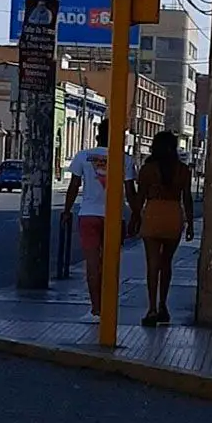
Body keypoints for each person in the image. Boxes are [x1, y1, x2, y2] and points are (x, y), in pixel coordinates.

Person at [61, 121, 138, 322]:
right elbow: (130, 192)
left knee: (92, 264)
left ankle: (96, 306)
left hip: (88, 215)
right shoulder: (125, 160)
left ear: (98, 135)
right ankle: (108, 303)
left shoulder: (83, 156)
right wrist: (136, 214)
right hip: (114, 217)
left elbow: (74, 186)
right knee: (110, 263)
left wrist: (67, 210)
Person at [129, 131, 194, 327]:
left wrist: (134, 218)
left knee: (152, 264)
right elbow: (187, 198)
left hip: (153, 213)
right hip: (174, 214)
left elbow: (139, 199)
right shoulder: (183, 170)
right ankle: (163, 305)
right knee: (167, 263)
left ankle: (151, 309)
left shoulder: (148, 170)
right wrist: (190, 222)